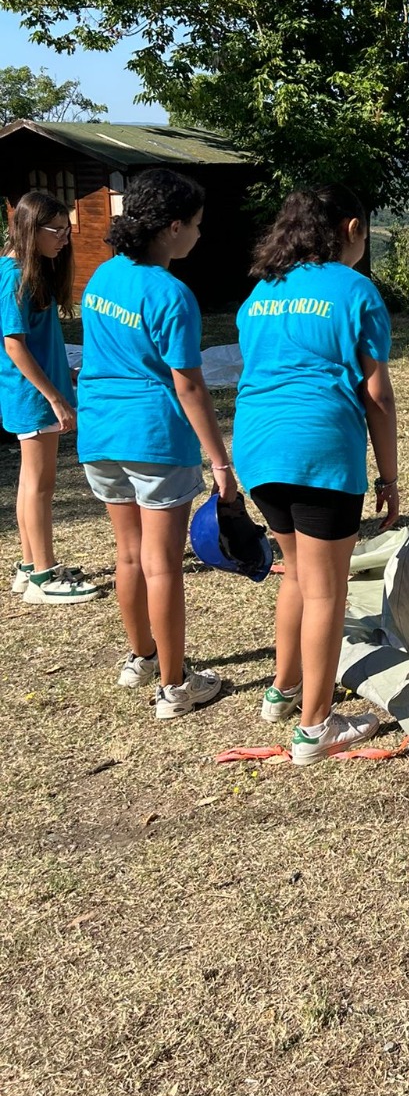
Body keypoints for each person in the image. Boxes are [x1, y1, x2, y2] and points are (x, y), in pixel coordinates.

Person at [234, 185, 398, 765]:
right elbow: (376, 393)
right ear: (352, 229)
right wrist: (390, 477)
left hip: (258, 450)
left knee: (297, 573)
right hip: (321, 449)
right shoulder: (356, 290)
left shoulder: (261, 293)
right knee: (327, 588)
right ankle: (315, 728)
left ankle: (283, 691)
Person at [77, 168, 237, 717]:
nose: (199, 233)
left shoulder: (101, 277)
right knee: (163, 562)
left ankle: (141, 656)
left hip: (99, 433)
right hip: (153, 435)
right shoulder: (172, 294)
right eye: (195, 224)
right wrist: (220, 460)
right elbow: (188, 383)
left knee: (128, 554)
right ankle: (175, 686)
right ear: (171, 227)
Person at [1, 191, 99, 603]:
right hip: (32, 398)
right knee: (40, 487)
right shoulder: (13, 275)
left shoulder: (29, 271)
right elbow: (14, 345)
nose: (64, 238)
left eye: (67, 230)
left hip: (41, 392)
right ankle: (44, 575)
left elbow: (39, 342)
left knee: (30, 484)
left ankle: (28, 566)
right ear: (29, 229)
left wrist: (68, 373)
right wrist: (56, 397)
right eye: (56, 230)